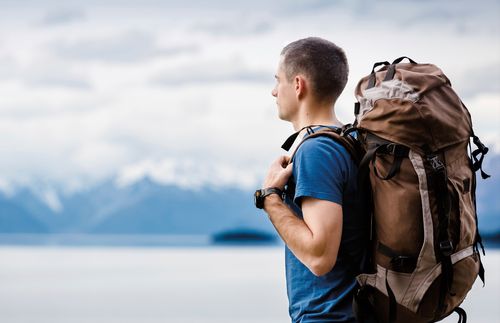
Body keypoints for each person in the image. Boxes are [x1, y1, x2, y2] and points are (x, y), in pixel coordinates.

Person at [255, 37, 366, 322]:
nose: (273, 91)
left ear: (298, 85)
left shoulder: (317, 151)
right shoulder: (353, 140)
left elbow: (320, 257)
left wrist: (269, 198)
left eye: (278, 80)